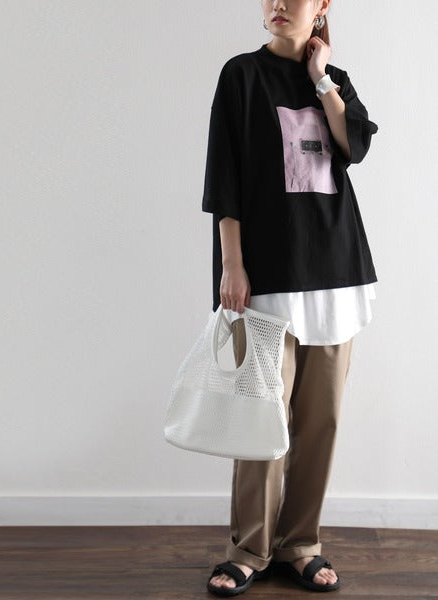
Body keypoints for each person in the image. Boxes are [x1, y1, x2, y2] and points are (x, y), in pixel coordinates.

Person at [202, 0, 379, 595]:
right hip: (267, 274)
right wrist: (232, 263)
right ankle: (248, 548)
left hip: (335, 268)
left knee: (320, 420)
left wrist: (321, 77)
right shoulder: (241, 75)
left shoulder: (334, 80)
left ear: (322, 5)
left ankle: (301, 543)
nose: (278, 4)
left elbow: (354, 146)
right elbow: (224, 173)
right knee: (261, 418)